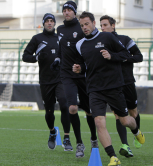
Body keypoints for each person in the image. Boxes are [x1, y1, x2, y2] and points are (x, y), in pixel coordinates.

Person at [73, 11, 145, 166]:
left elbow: (125, 54)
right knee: (99, 122)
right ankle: (113, 157)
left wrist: (111, 55)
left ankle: (136, 131)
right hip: (94, 89)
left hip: (113, 87)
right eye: (82, 25)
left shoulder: (108, 37)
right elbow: (84, 64)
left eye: (87, 24)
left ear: (93, 23)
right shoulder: (79, 44)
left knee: (125, 120)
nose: (84, 27)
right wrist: (79, 68)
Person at [50, 1, 98, 158]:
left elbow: (89, 47)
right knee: (72, 108)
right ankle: (79, 143)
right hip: (66, 74)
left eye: (69, 10)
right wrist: (57, 58)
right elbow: (61, 48)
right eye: (64, 10)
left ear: (74, 12)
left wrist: (83, 67)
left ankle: (93, 138)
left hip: (83, 74)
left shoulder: (81, 27)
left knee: (90, 111)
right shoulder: (60, 29)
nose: (66, 12)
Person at [22, 13, 72, 151]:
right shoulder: (37, 38)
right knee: (49, 111)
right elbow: (25, 56)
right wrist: (36, 57)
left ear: (55, 23)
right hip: (45, 80)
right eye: (47, 21)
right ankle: (52, 132)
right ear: (43, 23)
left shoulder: (60, 38)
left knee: (64, 104)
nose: (50, 23)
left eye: (52, 21)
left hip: (61, 79)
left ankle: (67, 138)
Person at [100, 15, 144, 158]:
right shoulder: (100, 43)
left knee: (133, 112)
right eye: (101, 25)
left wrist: (121, 58)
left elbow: (139, 56)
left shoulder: (125, 39)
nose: (102, 28)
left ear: (113, 25)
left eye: (105, 25)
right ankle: (125, 145)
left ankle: (137, 133)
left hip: (127, 82)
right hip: (112, 85)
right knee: (118, 115)